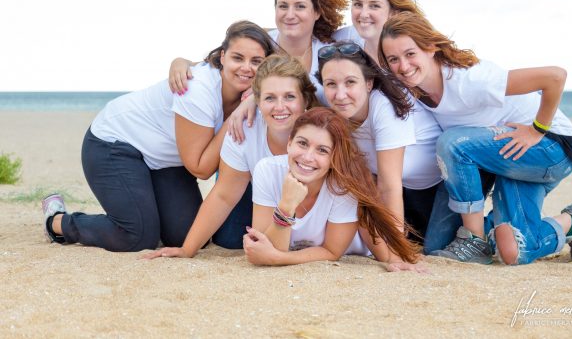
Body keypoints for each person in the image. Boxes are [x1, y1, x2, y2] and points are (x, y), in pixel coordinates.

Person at [379, 11, 572, 265]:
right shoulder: (412, 89)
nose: (403, 66)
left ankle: (474, 240)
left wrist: (536, 129)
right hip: (501, 157)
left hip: (550, 147)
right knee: (507, 251)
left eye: (410, 54)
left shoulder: (470, 80)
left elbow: (555, 77)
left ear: (431, 47)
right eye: (393, 59)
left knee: (452, 143)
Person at [41, 21, 276, 252]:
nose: (246, 68)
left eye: (256, 61)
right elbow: (201, 169)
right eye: (238, 58)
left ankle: (144, 208)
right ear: (223, 57)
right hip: (114, 143)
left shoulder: (251, 94)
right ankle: (57, 220)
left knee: (188, 236)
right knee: (136, 236)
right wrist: (234, 116)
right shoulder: (198, 89)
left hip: (164, 160)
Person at [143, 54, 318, 258]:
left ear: (305, 100)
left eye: (290, 97)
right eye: (270, 98)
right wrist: (187, 249)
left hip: (309, 205)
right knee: (230, 239)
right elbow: (223, 195)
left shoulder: (318, 132)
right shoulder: (244, 130)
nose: (280, 107)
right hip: (265, 198)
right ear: (257, 101)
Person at [243, 107, 422, 269]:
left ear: (333, 158)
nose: (307, 157)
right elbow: (266, 247)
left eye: (322, 150)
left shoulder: (343, 186)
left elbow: (331, 252)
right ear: (289, 142)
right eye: (302, 143)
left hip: (354, 250)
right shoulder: (267, 170)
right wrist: (287, 205)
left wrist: (278, 259)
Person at [314, 41, 445, 250]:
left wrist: (396, 251)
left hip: (438, 187)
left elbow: (388, 186)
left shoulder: (384, 106)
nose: (340, 94)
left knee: (436, 247)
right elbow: (289, 85)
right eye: (331, 84)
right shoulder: (327, 101)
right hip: (402, 190)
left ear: (368, 83)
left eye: (350, 82)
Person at [168, 0, 349, 117]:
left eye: (300, 6)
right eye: (283, 6)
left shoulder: (327, 54)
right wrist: (181, 62)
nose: (290, 14)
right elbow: (220, 61)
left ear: (317, 12)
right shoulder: (262, 40)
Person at [334, 0, 423, 63]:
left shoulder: (414, 49)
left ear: (394, 12)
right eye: (358, 4)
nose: (364, 14)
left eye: (374, 6)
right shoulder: (336, 40)